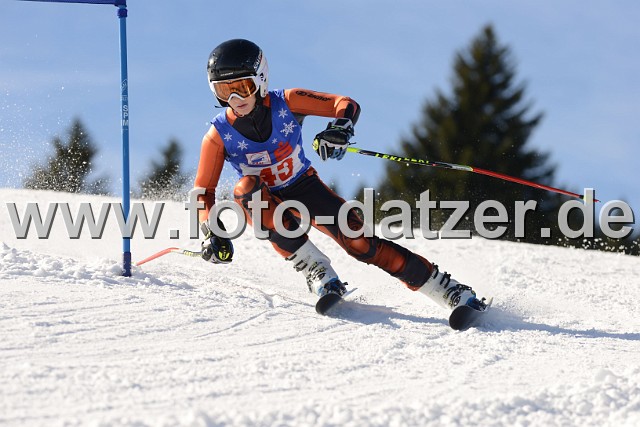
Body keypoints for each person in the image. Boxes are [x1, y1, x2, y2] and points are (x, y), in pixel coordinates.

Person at [192, 38, 484, 313]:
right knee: (246, 189)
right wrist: (210, 231)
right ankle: (316, 270)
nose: (235, 98)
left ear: (260, 79)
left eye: (242, 87)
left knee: (360, 243)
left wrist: (341, 127)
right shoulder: (218, 135)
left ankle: (445, 288)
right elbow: (203, 192)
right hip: (266, 202)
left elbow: (344, 104)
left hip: (305, 188)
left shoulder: (287, 102)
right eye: (224, 91)